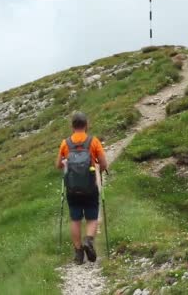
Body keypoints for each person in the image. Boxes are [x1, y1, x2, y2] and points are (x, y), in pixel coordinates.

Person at [56, 112, 108, 264]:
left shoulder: (65, 143)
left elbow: (58, 165)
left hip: (72, 189)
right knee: (92, 218)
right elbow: (104, 164)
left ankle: (78, 253)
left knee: (75, 219)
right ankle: (89, 241)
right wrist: (99, 169)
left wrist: (67, 164)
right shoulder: (93, 141)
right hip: (90, 187)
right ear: (86, 125)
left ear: (72, 126)